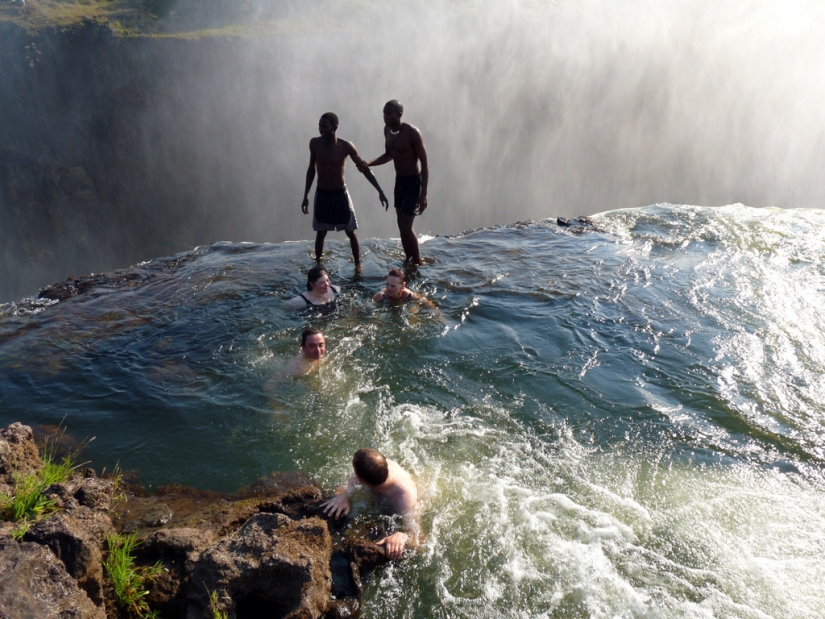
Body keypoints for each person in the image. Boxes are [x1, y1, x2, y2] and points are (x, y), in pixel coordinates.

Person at [301, 112, 389, 266]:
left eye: (324, 126)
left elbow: (364, 168)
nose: (320, 129)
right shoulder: (315, 144)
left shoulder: (345, 146)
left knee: (351, 232)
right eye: (319, 125)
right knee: (320, 233)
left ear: (335, 127)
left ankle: (357, 266)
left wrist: (379, 190)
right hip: (322, 193)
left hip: (340, 194)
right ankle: (317, 265)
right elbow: (311, 169)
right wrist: (306, 195)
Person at [321, 448, 419, 559]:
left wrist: (403, 536)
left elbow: (419, 539)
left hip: (397, 505)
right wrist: (342, 496)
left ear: (360, 479)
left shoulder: (404, 496)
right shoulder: (377, 467)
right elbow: (343, 488)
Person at [364, 100, 429, 266]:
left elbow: (425, 163)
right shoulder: (387, 131)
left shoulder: (412, 132)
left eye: (389, 114)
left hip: (413, 182)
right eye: (384, 113)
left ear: (399, 114)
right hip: (399, 181)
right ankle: (408, 259)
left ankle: (418, 261)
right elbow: (388, 155)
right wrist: (369, 163)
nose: (385, 117)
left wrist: (423, 194)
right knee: (400, 224)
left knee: (407, 226)